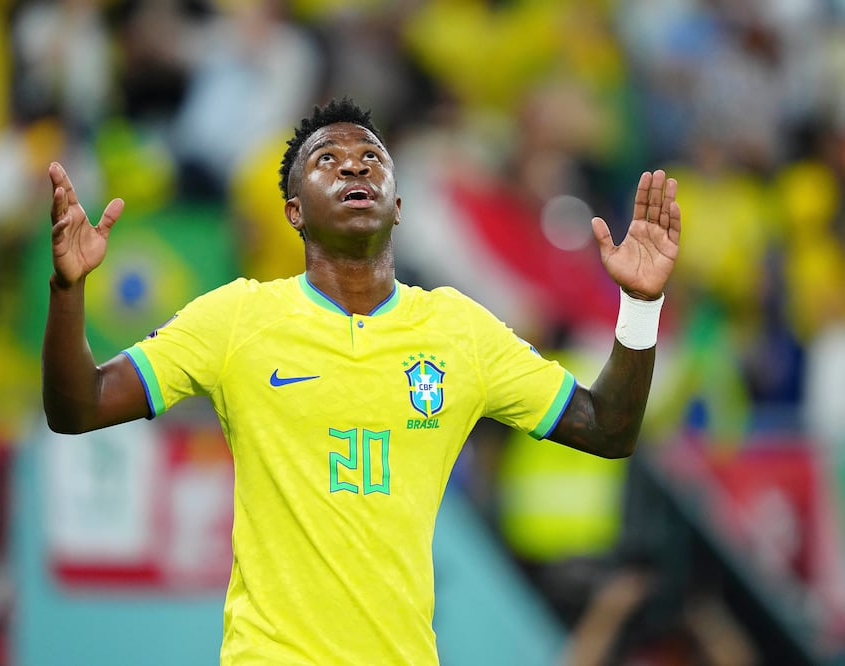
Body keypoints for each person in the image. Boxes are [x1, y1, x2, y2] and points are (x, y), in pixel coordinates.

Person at [42, 97, 681, 665]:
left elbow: (609, 427)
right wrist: (68, 290)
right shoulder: (236, 319)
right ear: (293, 211)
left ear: (398, 207)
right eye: (327, 158)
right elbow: (80, 407)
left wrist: (641, 308)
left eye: (371, 157)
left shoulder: (458, 331)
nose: (354, 166)